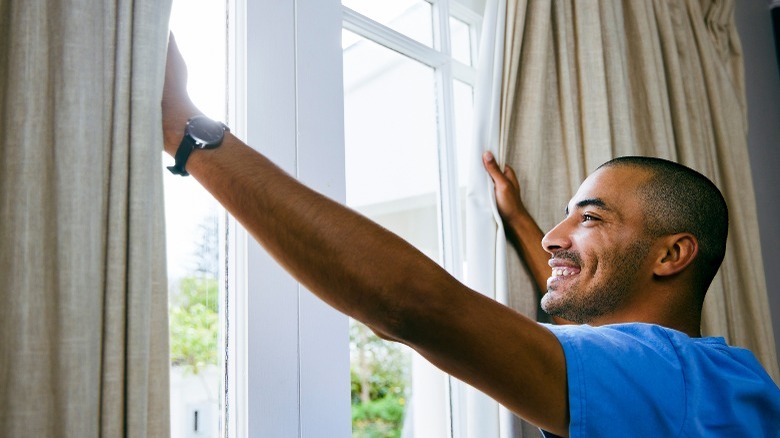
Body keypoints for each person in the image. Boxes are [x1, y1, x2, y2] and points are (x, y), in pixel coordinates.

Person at [161, 35, 780, 437]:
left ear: (673, 254)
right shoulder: (721, 386)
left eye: (590, 218)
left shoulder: (672, 374)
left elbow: (416, 306)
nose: (554, 239)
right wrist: (520, 221)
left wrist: (187, 132)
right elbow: (586, 308)